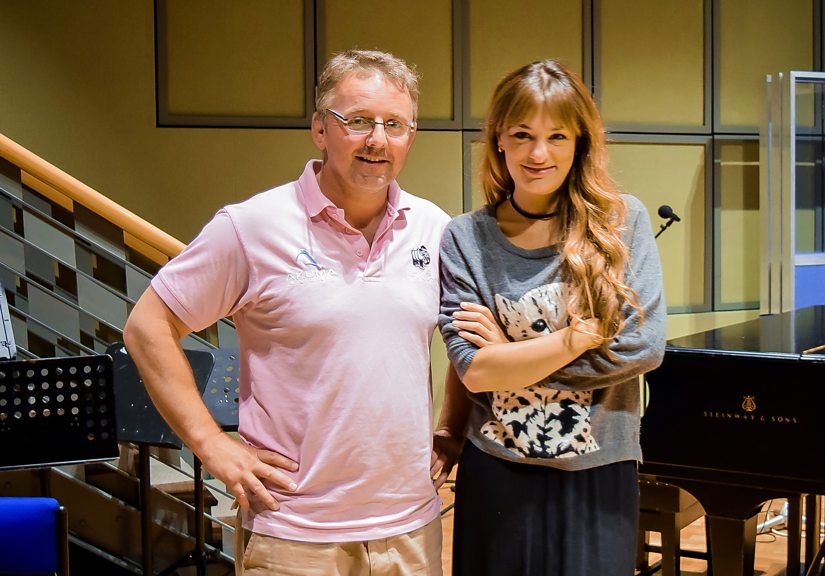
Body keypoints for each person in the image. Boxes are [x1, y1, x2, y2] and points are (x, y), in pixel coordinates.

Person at [123, 49, 452, 576]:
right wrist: (211, 444)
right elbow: (147, 327)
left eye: (394, 124)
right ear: (320, 128)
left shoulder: (434, 229)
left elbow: (467, 339)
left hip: (410, 530)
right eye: (358, 121)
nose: (377, 140)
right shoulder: (252, 226)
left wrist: (451, 428)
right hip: (294, 533)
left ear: (410, 135)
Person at [434, 60, 667, 576]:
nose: (538, 154)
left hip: (598, 468)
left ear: (579, 142)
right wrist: (573, 340)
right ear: (499, 139)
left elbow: (643, 348)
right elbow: (475, 370)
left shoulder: (622, 222)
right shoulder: (465, 238)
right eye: (522, 135)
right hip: (496, 469)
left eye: (556, 136)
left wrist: (511, 357)